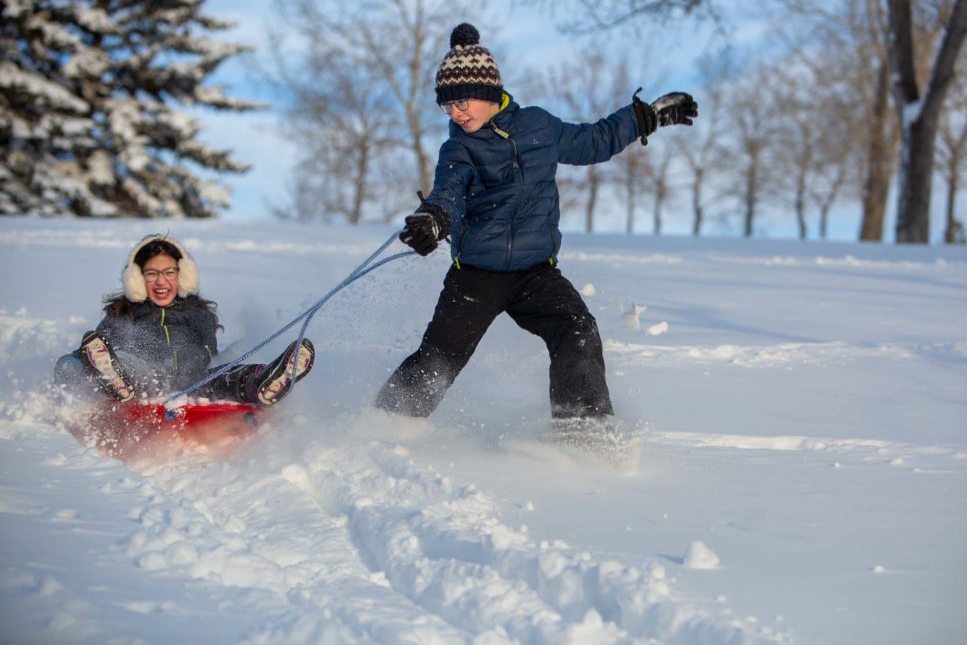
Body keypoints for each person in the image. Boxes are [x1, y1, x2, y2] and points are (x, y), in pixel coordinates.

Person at [375, 22, 698, 422]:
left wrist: (645, 117)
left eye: (462, 102)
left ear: (488, 92)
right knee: (440, 357)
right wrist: (435, 218)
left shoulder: (539, 127)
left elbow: (594, 140)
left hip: (535, 273)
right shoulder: (458, 148)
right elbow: (449, 192)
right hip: (476, 275)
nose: (455, 113)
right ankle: (386, 422)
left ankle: (582, 430)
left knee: (577, 329)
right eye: (447, 105)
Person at [54, 234, 315, 406]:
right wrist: (74, 366)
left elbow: (212, 353)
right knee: (129, 363)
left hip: (195, 382)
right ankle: (117, 381)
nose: (161, 281)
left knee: (226, 374)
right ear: (136, 279)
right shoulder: (124, 314)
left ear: (183, 276)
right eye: (151, 273)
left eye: (169, 272)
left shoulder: (198, 314)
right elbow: (90, 355)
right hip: (144, 383)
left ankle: (266, 380)